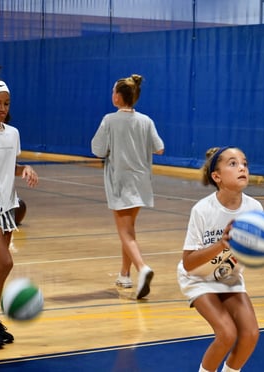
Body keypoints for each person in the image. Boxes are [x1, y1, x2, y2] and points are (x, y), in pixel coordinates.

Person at [177, 146, 261, 372]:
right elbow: (188, 262)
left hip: (228, 275)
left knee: (251, 334)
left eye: (244, 163)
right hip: (198, 276)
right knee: (226, 333)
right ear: (217, 176)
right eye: (233, 164)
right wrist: (222, 244)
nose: (242, 167)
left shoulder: (255, 208)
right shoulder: (202, 210)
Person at [91, 74, 164, 300]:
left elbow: (98, 149)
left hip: (120, 182)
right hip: (141, 182)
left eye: (114, 91)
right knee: (129, 230)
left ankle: (142, 268)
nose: (112, 95)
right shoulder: (146, 120)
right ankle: (125, 274)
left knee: (125, 232)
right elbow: (159, 148)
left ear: (119, 97)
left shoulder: (109, 120)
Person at [0, 80, 38, 348]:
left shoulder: (12, 133)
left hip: (7, 207)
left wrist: (24, 169)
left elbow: (9, 166)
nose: (2, 108)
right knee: (5, 263)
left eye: (6, 103)